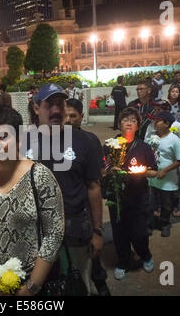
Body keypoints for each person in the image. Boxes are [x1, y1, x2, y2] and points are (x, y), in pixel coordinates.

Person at [0, 106, 65, 296]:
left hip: (35, 285)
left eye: (4, 136)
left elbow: (54, 233)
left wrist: (32, 286)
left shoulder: (40, 177)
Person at [27, 84, 104, 296]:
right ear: (36, 108)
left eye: (59, 104)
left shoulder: (85, 141)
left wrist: (97, 231)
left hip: (75, 230)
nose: (56, 110)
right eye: (48, 105)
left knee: (78, 285)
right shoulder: (23, 142)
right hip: (36, 234)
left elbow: (94, 187)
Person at [104, 107, 158, 280]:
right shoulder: (109, 145)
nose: (129, 122)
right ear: (119, 124)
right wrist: (109, 171)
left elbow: (154, 172)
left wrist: (142, 172)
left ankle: (145, 255)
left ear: (138, 126)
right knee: (119, 232)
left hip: (138, 196)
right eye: (125, 120)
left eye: (133, 120)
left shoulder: (143, 147)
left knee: (140, 232)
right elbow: (101, 168)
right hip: (116, 197)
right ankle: (123, 261)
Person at [64, 98, 110, 295]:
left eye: (73, 116)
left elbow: (95, 182)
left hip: (86, 208)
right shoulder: (52, 141)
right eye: (65, 116)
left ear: (81, 117)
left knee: (92, 249)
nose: (68, 120)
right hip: (67, 213)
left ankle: (99, 281)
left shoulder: (90, 140)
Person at [148, 111, 180, 237]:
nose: (155, 122)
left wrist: (165, 170)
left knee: (166, 205)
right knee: (150, 203)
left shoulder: (174, 140)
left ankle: (165, 224)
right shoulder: (152, 136)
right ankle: (149, 224)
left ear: (166, 124)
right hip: (152, 178)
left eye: (158, 120)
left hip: (167, 180)